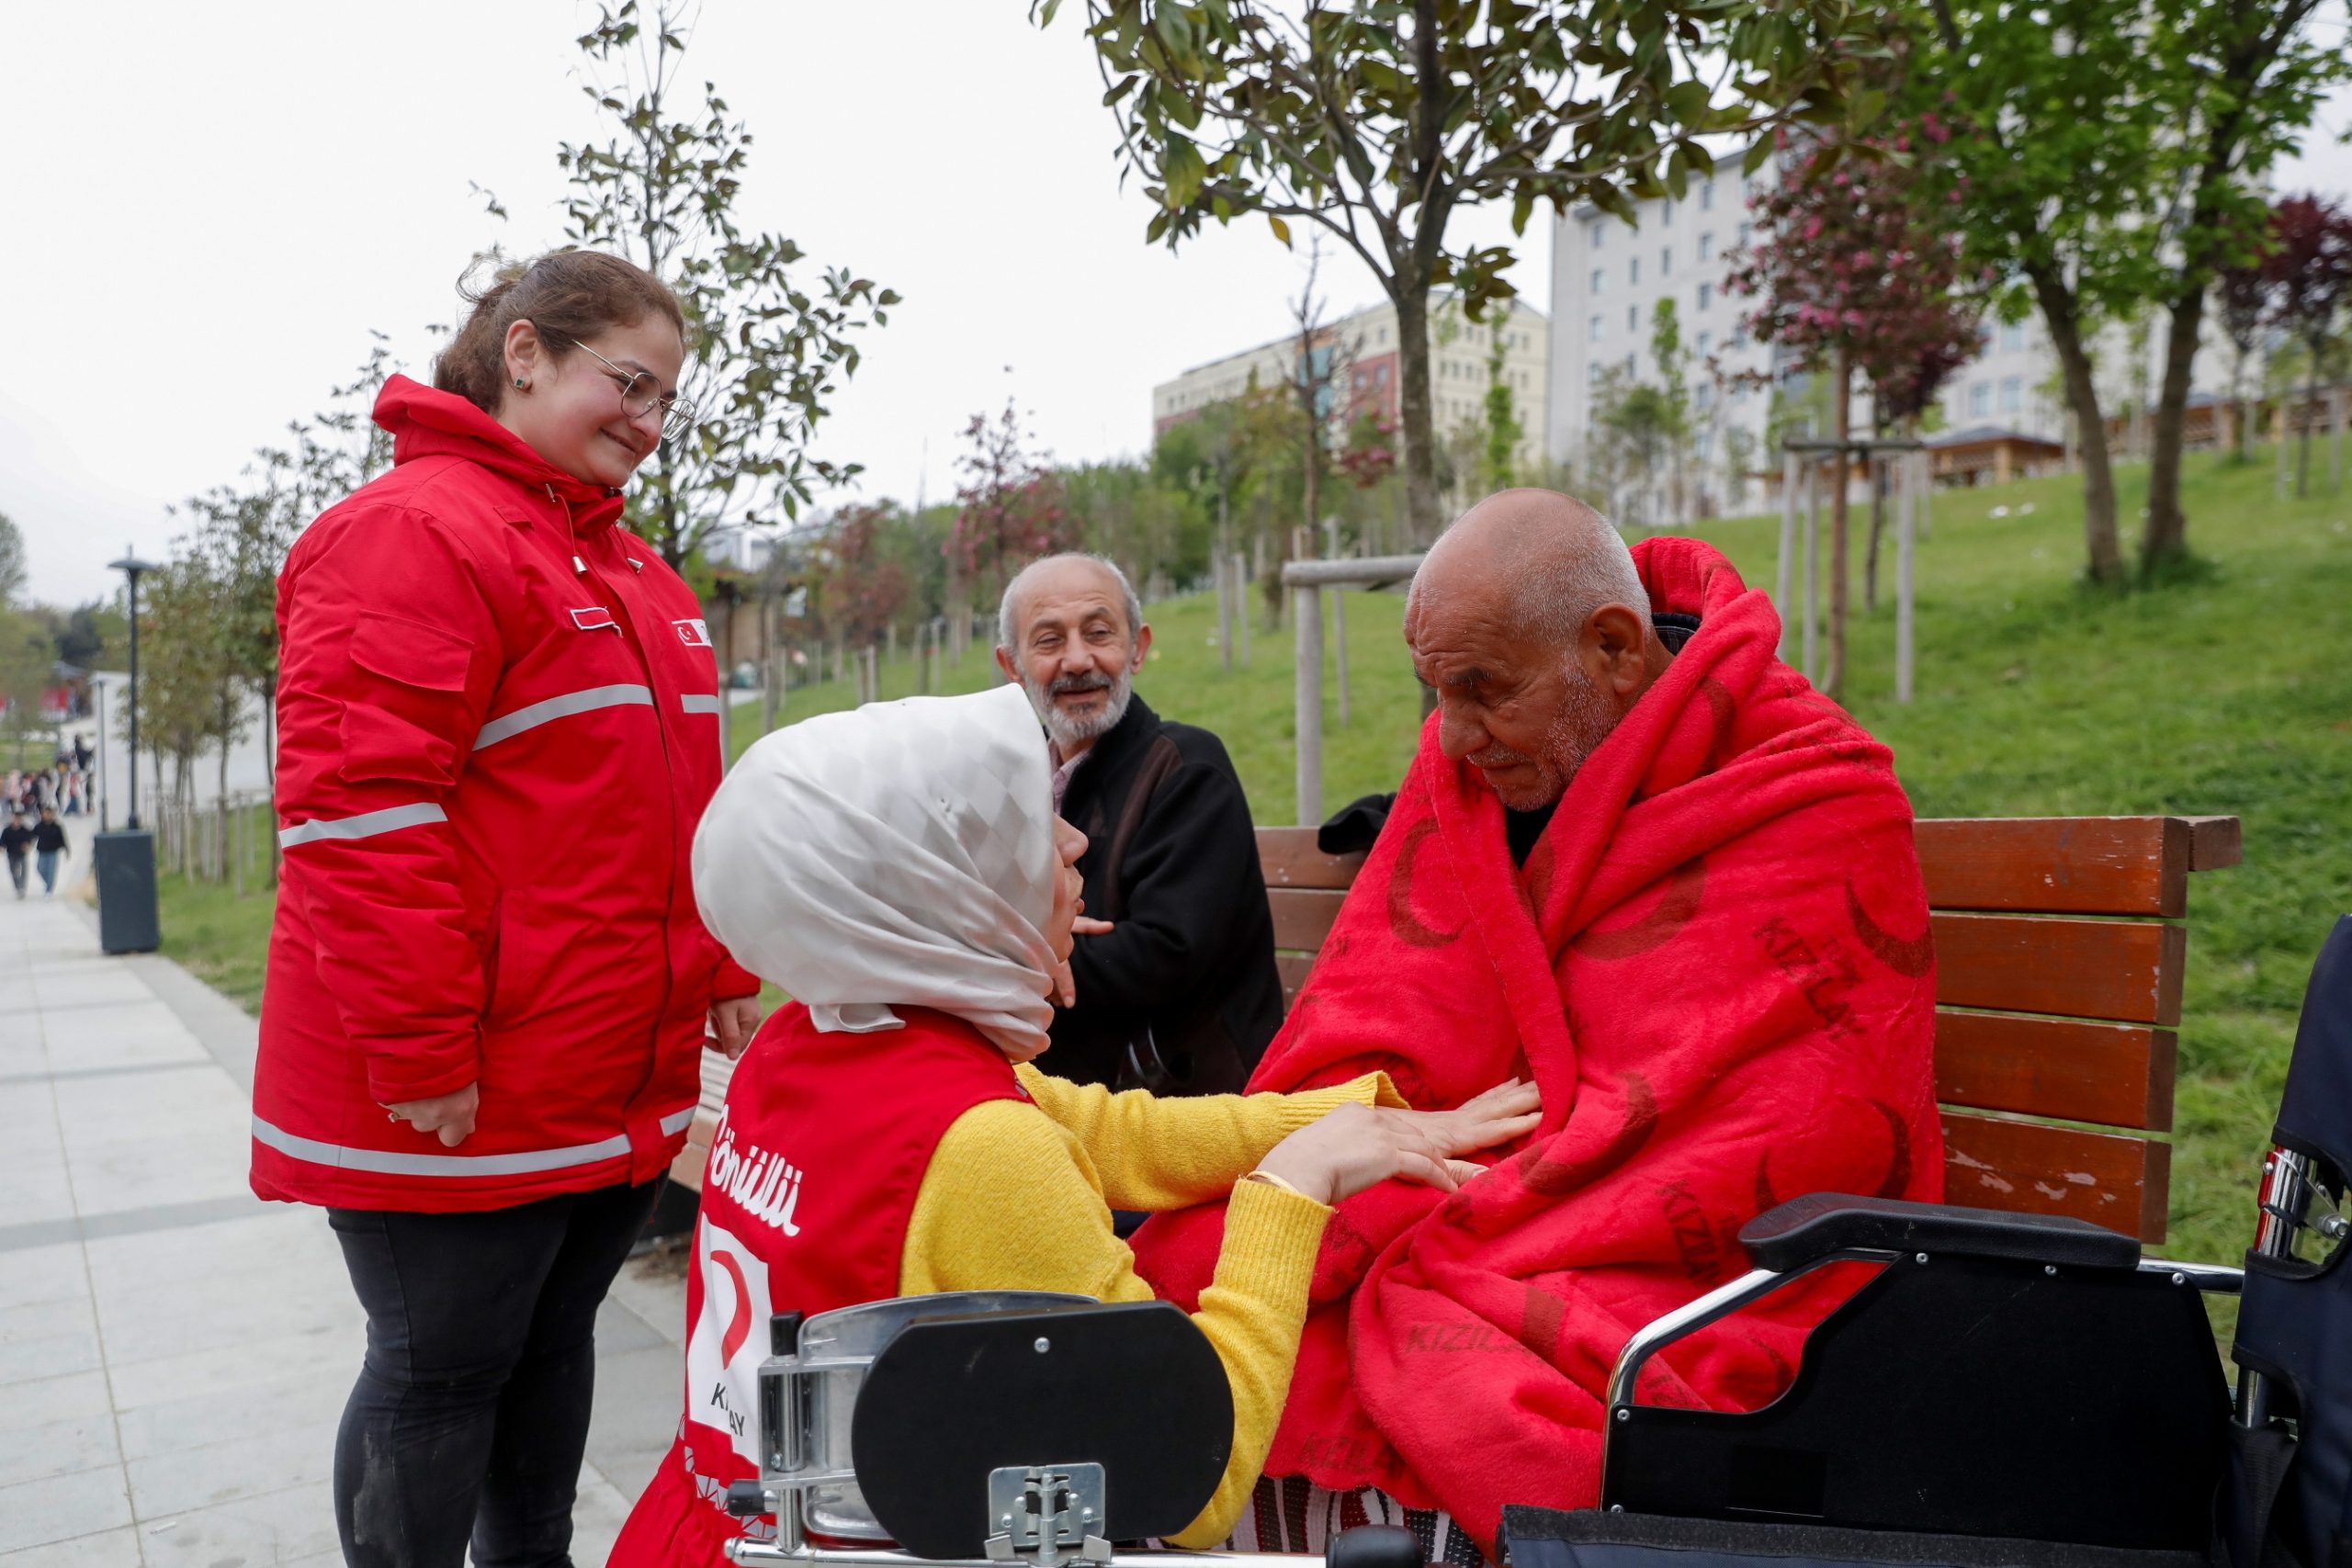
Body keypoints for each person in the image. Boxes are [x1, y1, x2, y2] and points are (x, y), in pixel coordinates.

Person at [1132, 490, 1944, 1562]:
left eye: (1481, 693)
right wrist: (1381, 1141)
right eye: (1434, 695)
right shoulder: (1471, 762)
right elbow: (1385, 1005)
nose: (1452, 739)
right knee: (1196, 1258)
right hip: (1473, 1156)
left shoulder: (1806, 794)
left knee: (1466, 1365)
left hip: (1651, 1235)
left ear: (1612, 648)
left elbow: (1798, 1119)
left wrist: (1509, 1191)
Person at [612, 683, 1543, 1566]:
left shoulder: (807, 1042)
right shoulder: (977, 1150)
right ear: (941, 888)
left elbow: (1108, 1133)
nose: (1069, 847)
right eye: (1021, 830)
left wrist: (1370, 1113)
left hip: (700, 1529)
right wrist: (1292, 1189)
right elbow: (1192, 1469)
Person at [250, 249, 762, 1568]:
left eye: (666, 400)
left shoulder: (628, 568)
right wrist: (423, 1048)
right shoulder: (412, 532)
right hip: (461, 1082)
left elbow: (656, 816)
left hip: (595, 1073)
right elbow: (360, 813)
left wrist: (710, 967)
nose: (648, 422)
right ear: (523, 353)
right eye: (628, 382)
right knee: (440, 1374)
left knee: (547, 1351)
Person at [993, 553, 1284, 1095]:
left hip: (1188, 1098)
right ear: (1012, 666)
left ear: (1137, 648)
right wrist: (1039, 942)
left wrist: (1023, 953)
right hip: (1059, 1093)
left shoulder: (1188, 767)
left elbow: (1169, 955)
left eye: (1099, 633)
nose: (1079, 661)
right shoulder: (1008, 781)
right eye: (1050, 641)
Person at [30, 807, 66, 897]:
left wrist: (66, 849)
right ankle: (48, 883)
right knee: (40, 868)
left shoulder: (57, 827)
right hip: (42, 851)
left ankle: (49, 889)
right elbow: (31, 836)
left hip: (53, 852)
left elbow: (63, 838)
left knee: (51, 871)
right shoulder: (39, 826)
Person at [4, 808, 33, 898]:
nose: (17, 820)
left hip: (22, 854)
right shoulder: (7, 830)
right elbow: (2, 841)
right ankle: (17, 887)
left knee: (24, 870)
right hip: (11, 854)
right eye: (15, 818)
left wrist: (27, 845)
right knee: (13, 871)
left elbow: (30, 839)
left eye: (18, 818)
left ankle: (22, 888)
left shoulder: (25, 830)